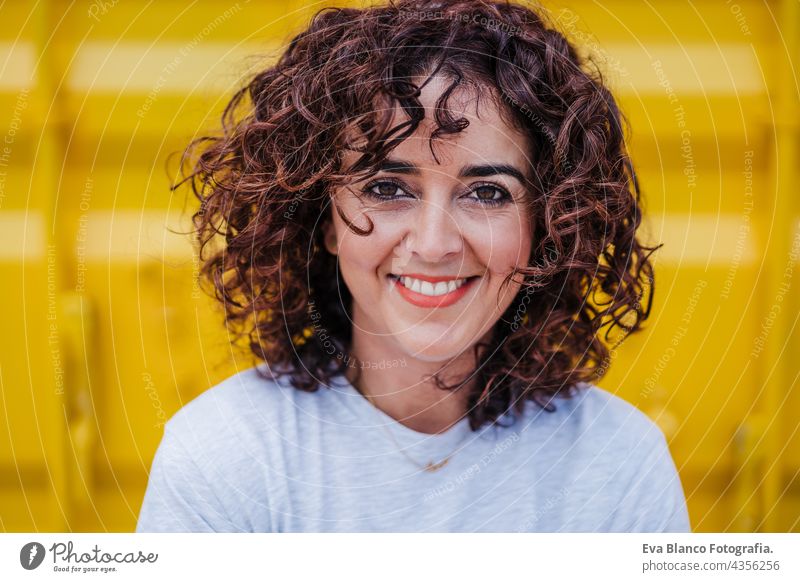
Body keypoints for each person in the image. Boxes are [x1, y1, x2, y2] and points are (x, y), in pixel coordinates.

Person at [136, 0, 690, 532]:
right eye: (386, 187)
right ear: (323, 219)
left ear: (546, 224)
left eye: (488, 194)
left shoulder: (619, 465)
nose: (433, 244)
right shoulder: (222, 457)